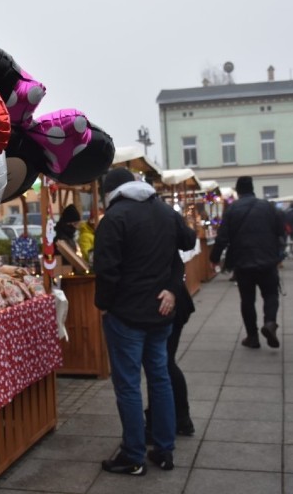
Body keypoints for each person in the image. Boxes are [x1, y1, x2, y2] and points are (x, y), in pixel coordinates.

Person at [93, 168, 198, 476]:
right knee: (160, 377)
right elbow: (188, 241)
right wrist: (171, 287)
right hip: (161, 313)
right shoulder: (165, 211)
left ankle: (133, 454)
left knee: (128, 386)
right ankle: (164, 450)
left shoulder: (114, 219)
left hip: (125, 315)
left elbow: (106, 269)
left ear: (110, 192)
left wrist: (104, 306)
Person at [210, 176, 285, 349]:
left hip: (243, 262)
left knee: (247, 300)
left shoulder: (232, 209)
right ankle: (270, 323)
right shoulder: (268, 207)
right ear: (253, 188)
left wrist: (214, 258)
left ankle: (252, 337)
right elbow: (280, 231)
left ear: (237, 191)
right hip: (267, 260)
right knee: (271, 295)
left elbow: (222, 238)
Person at [145, 254, 195, 442]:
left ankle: (170, 420)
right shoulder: (165, 227)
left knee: (162, 364)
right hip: (170, 301)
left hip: (168, 304)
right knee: (163, 363)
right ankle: (178, 418)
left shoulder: (162, 228)